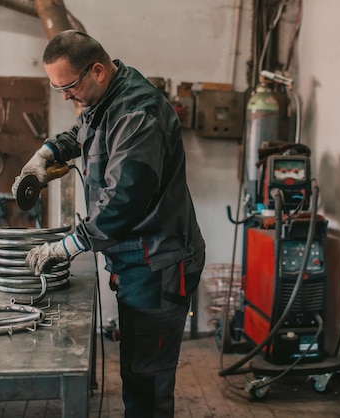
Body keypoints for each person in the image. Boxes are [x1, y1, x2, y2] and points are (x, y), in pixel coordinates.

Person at [13, 30, 205, 418]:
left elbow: (122, 202)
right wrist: (44, 154)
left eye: (68, 86)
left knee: (146, 381)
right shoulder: (108, 99)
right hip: (138, 261)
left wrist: (66, 246)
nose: (65, 96)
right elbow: (81, 132)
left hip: (158, 264)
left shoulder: (137, 113)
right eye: (57, 89)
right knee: (136, 369)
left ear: (97, 70)